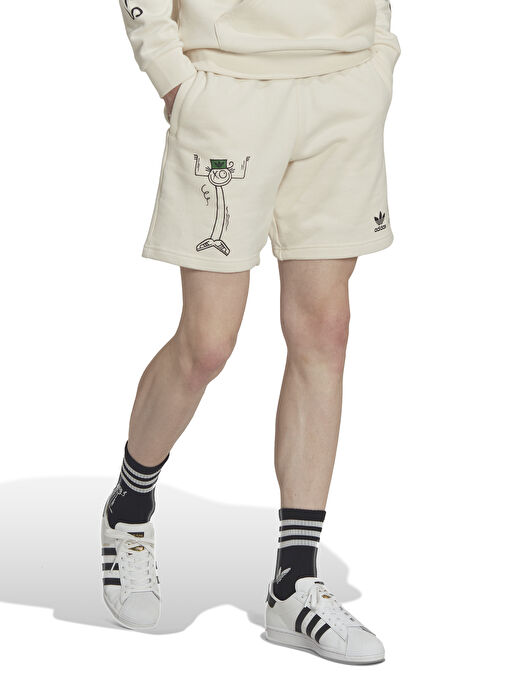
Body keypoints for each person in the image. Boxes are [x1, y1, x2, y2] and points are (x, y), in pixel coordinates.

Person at [102, 0, 400, 664]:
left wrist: (377, 45)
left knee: (325, 331)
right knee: (208, 343)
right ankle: (130, 505)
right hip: (228, 88)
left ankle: (294, 581)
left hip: (345, 82)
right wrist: (170, 72)